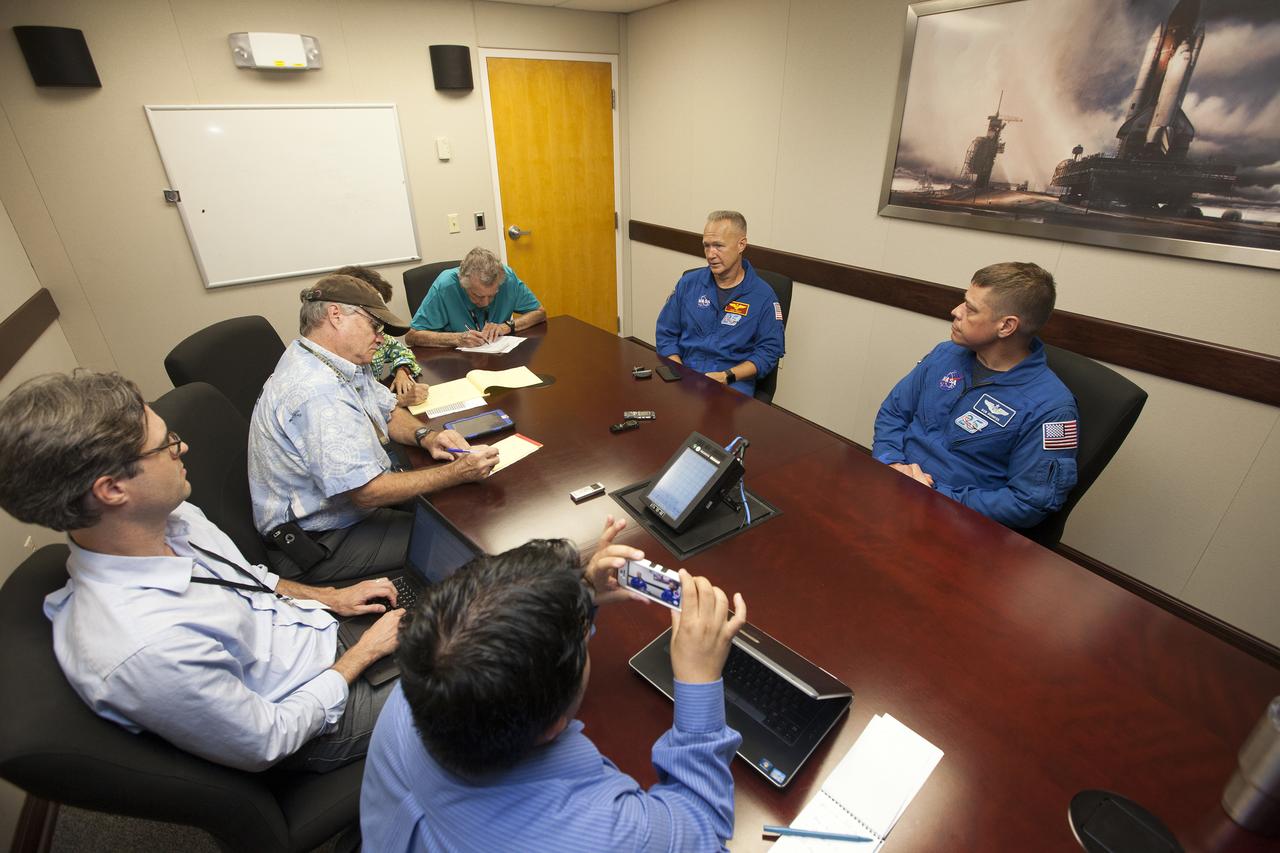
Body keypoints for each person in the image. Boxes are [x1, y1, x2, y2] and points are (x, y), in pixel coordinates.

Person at [0, 371, 406, 773]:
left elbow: (250, 580)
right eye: (165, 446)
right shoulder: (145, 646)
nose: (183, 447)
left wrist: (331, 597)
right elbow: (271, 737)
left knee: (452, 601)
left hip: (315, 637)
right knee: (468, 668)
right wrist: (363, 654)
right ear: (111, 490)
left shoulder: (172, 518)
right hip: (317, 718)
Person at [360, 518, 748, 852]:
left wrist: (577, 597)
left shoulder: (425, 682)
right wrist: (699, 680)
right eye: (581, 636)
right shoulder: (606, 835)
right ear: (552, 727)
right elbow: (702, 828)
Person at [249, 275, 499, 582]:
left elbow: (388, 409)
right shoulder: (316, 391)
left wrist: (427, 437)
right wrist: (455, 473)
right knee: (466, 545)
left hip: (344, 513)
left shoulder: (334, 360)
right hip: (321, 540)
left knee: (457, 511)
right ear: (336, 316)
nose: (381, 338)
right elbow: (366, 493)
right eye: (374, 326)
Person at [872, 261, 1079, 528]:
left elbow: (1028, 502)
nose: (956, 311)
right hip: (894, 490)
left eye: (971, 309)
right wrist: (891, 464)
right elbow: (894, 412)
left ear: (1006, 326)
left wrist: (934, 495)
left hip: (955, 524)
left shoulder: (1051, 408)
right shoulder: (944, 355)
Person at [655, 210, 785, 396]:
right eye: (706, 246)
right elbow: (666, 332)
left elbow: (769, 352)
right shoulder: (688, 283)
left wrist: (727, 376)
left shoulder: (763, 296)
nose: (710, 254)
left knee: (715, 423)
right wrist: (678, 370)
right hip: (684, 375)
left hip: (731, 383)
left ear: (741, 245)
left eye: (718, 246)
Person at [405, 247, 546, 348]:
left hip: (498, 358)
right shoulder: (445, 285)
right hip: (454, 364)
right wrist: (457, 339)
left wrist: (507, 326)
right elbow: (412, 336)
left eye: (492, 295)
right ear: (463, 283)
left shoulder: (507, 278)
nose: (485, 303)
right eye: (477, 295)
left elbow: (539, 313)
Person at [335, 264, 429, 408]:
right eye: (372, 321)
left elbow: (401, 352)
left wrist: (402, 371)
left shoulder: (377, 336)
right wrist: (399, 401)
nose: (381, 338)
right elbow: (354, 412)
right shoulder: (326, 372)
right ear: (337, 315)